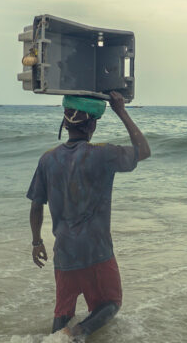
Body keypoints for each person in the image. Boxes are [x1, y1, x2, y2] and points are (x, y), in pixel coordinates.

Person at [27, 92, 150, 341]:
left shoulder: (47, 159)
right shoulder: (104, 154)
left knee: (62, 314)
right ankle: (79, 333)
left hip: (64, 252)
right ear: (92, 125)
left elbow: (36, 204)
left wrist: (36, 241)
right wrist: (121, 111)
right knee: (111, 303)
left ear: (65, 124)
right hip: (97, 251)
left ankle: (57, 338)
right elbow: (143, 151)